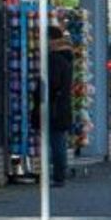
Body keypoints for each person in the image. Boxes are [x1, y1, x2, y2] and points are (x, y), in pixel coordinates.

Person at [46, 24, 75, 185]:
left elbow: (53, 82)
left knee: (56, 141)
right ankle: (60, 173)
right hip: (62, 105)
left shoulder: (55, 59)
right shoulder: (66, 56)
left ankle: (59, 176)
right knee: (59, 140)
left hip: (55, 106)